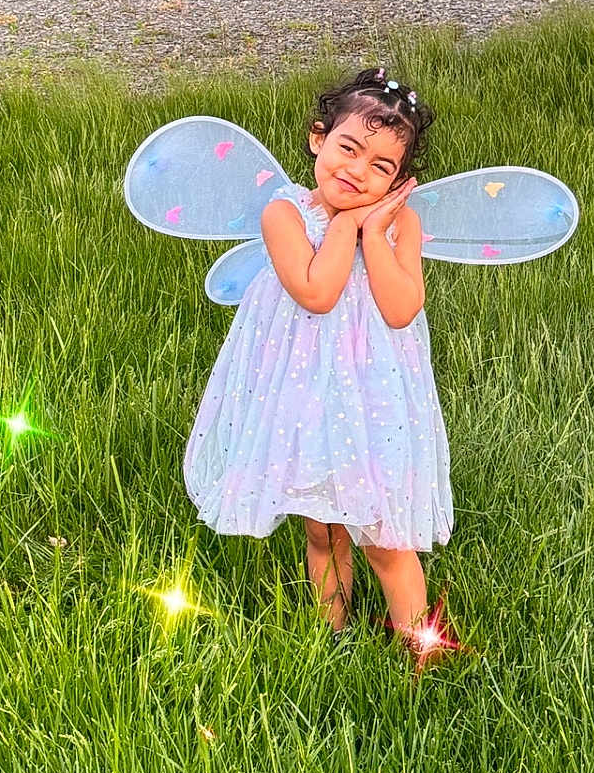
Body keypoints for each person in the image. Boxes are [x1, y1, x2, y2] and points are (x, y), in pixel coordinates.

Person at [182, 67, 450, 646]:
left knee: (384, 537)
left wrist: (374, 234)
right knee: (323, 528)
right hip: (304, 390)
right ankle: (330, 638)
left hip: (372, 396)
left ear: (400, 181)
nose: (357, 171)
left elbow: (401, 308)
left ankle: (419, 655)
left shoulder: (400, 223)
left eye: (382, 167)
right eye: (348, 148)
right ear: (317, 138)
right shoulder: (284, 214)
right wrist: (349, 223)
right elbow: (318, 293)